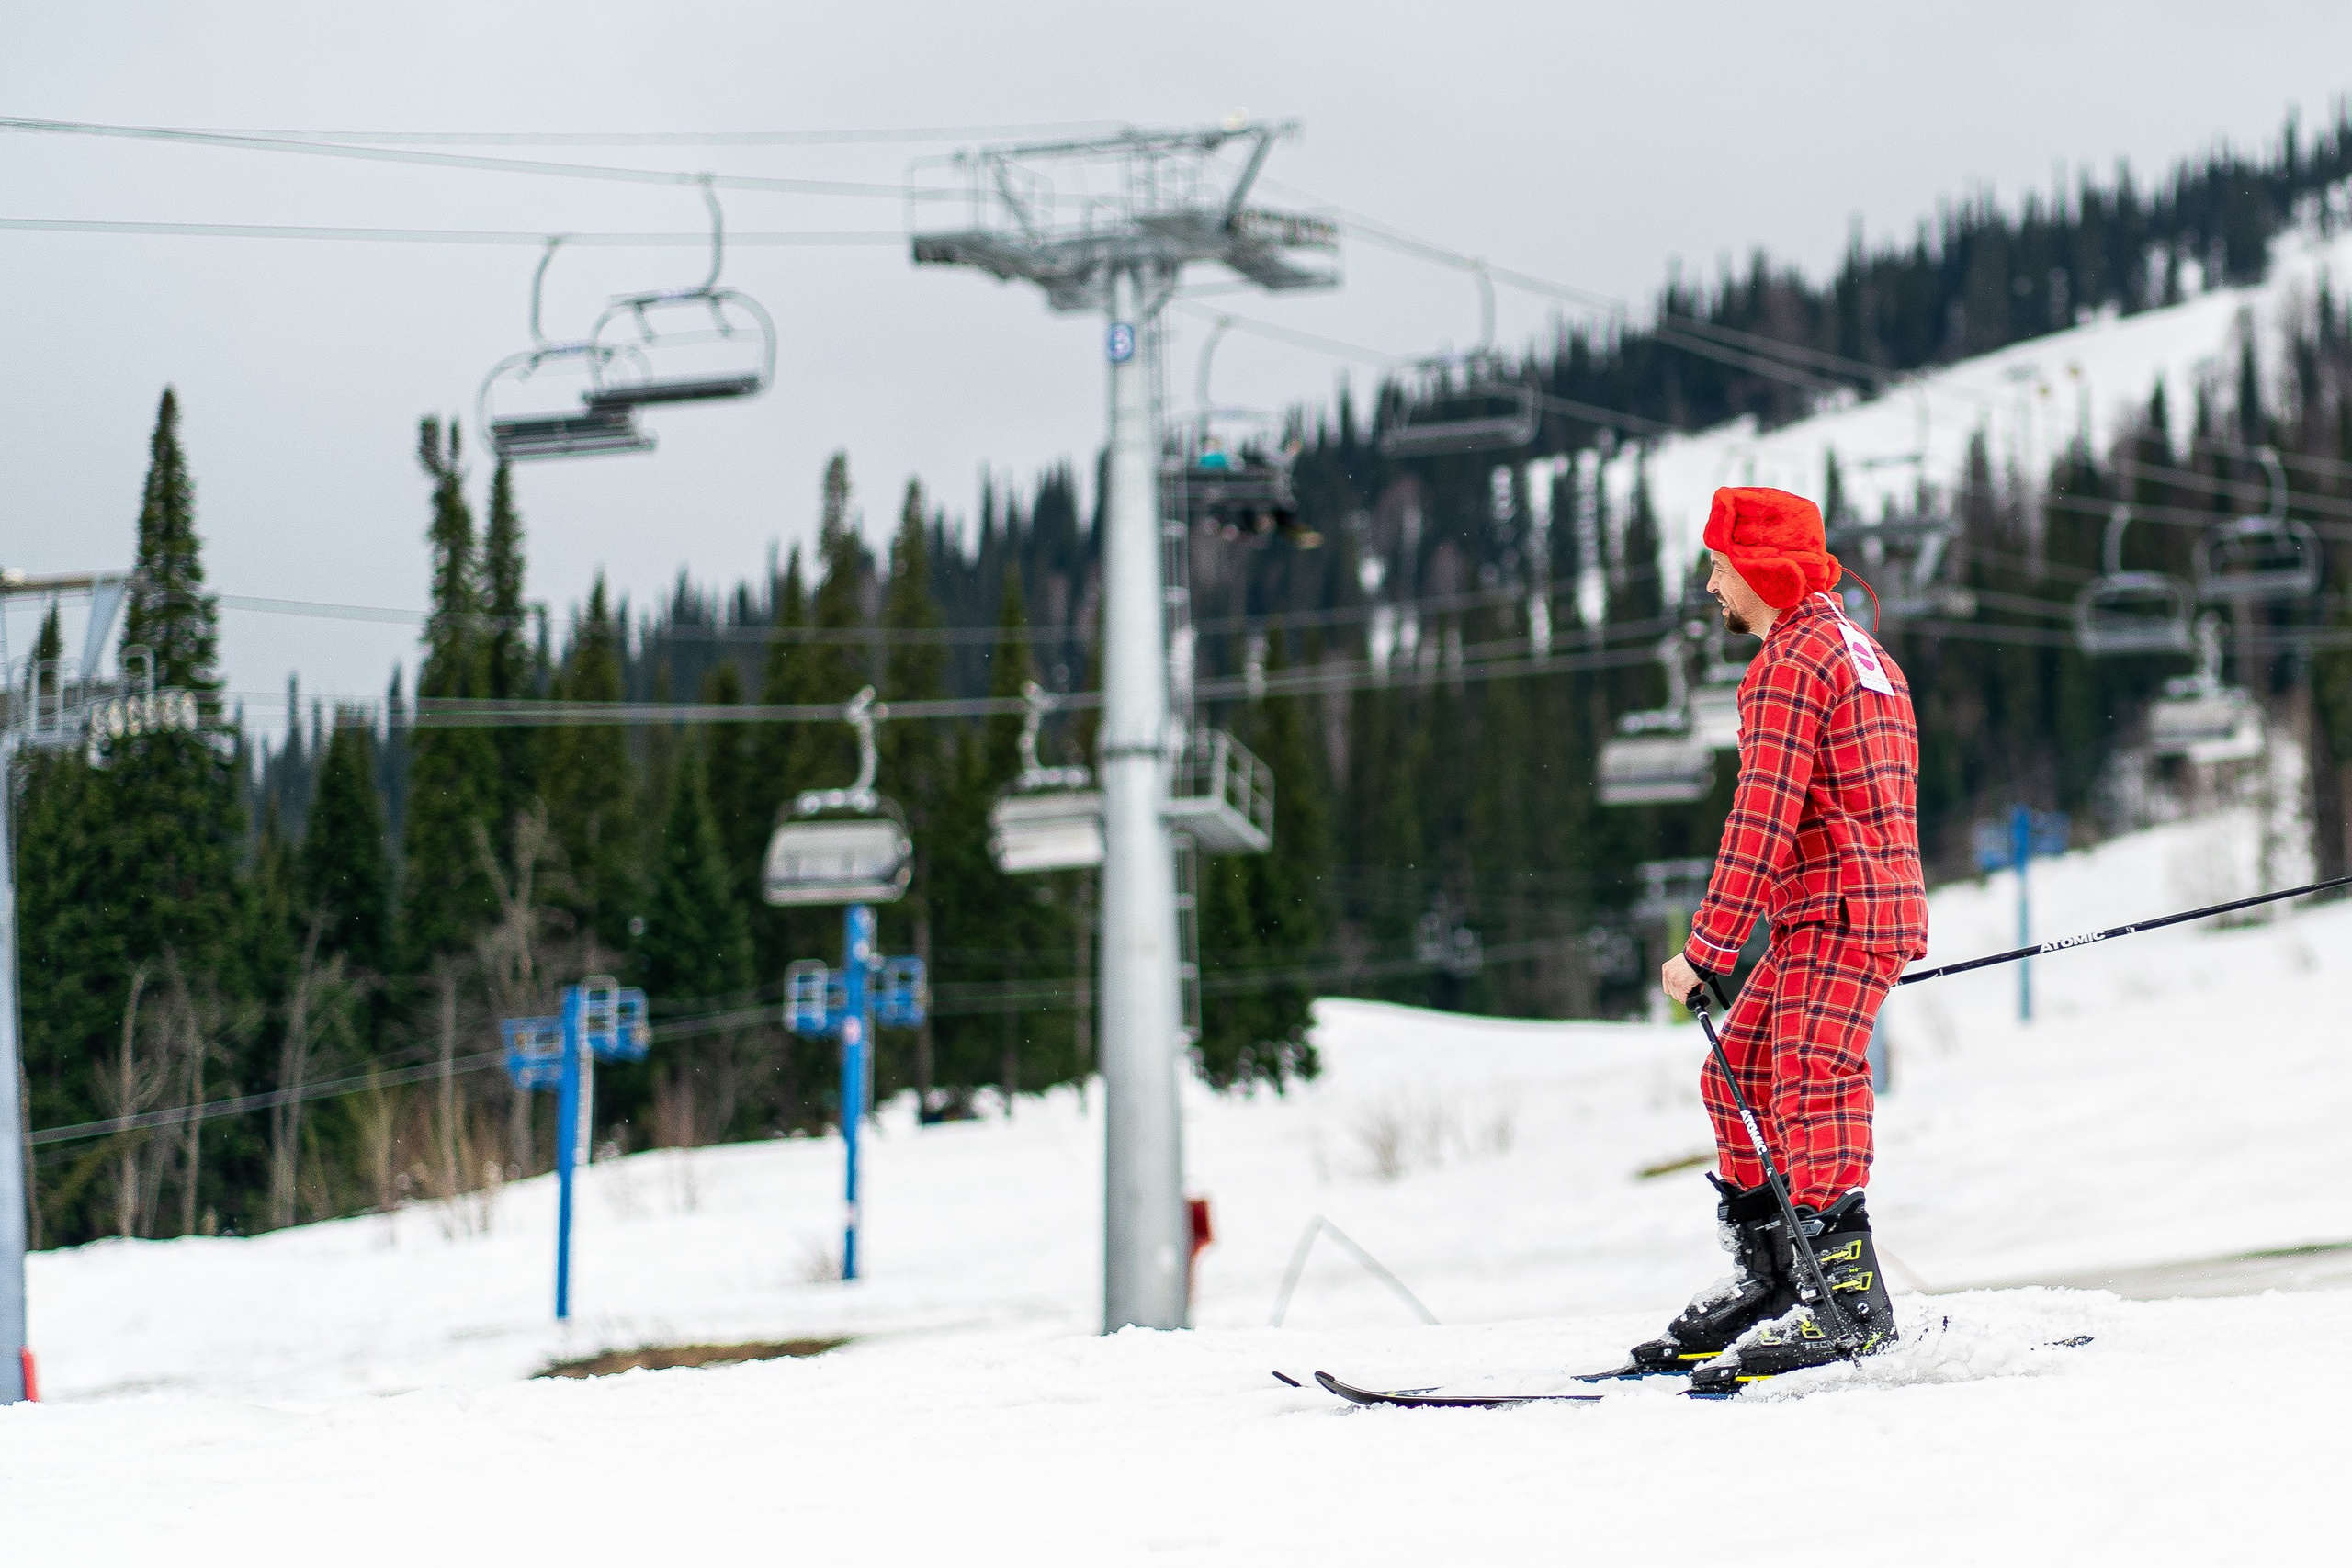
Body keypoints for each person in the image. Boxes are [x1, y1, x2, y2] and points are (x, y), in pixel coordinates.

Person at [1629, 486, 1928, 1393]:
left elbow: (1761, 818)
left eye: (1718, 565)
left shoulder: (1792, 663)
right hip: (1845, 907)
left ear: (1757, 567)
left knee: (1811, 1079)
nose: (1710, 585)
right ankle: (1772, 1282)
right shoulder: (1858, 650)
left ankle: (1845, 1304)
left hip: (1839, 915)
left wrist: (1707, 951)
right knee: (1736, 1076)